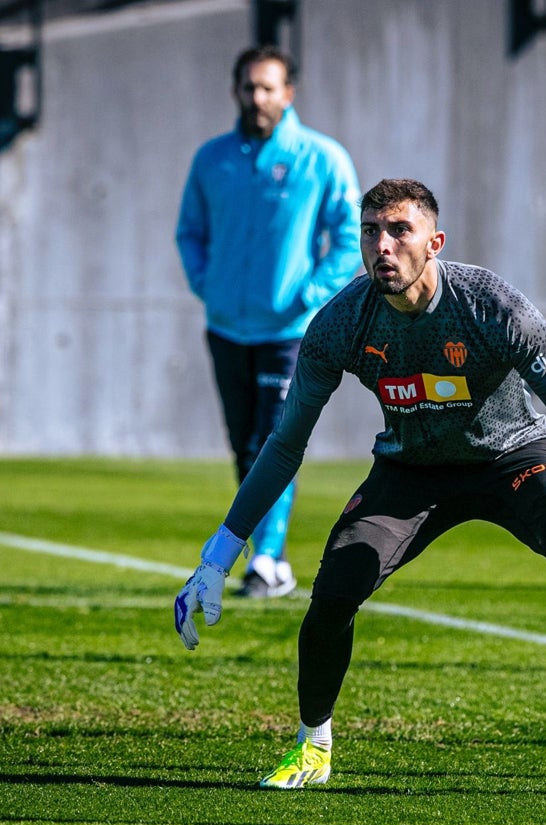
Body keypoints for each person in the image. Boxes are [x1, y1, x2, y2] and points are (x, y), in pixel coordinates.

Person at [174, 178, 546, 797]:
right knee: (335, 590)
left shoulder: (490, 306)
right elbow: (287, 444)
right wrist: (219, 553)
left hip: (513, 457)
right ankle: (312, 744)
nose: (383, 246)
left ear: (435, 242)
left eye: (399, 230)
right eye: (371, 231)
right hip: (411, 470)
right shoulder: (342, 322)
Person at [175, 45, 362, 599]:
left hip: (290, 332)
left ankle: (268, 559)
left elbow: (349, 236)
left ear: (288, 93)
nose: (258, 97)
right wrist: (208, 285)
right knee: (242, 446)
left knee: (270, 443)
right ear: (235, 91)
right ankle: (265, 557)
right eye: (249, 87)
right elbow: (190, 232)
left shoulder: (321, 157)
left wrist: (309, 293)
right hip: (227, 326)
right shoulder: (212, 159)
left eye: (268, 87)